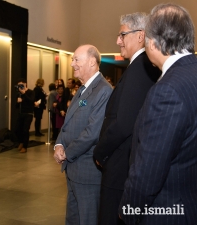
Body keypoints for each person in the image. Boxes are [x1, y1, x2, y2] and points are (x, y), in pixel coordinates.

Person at [118, 3, 197, 225]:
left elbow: (149, 171)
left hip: (166, 211)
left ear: (152, 43)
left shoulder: (167, 90)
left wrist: (128, 211)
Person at [93, 12, 161, 225]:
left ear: (141, 36)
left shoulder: (140, 69)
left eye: (122, 34)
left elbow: (123, 123)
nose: (117, 40)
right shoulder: (139, 67)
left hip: (119, 166)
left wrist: (100, 152)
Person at [53, 44, 113, 225]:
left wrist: (67, 153)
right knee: (73, 218)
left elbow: (92, 133)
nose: (72, 64)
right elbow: (68, 123)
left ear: (92, 62)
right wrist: (58, 144)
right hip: (73, 168)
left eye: (76, 59)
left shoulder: (103, 90)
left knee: (87, 219)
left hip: (87, 171)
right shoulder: (83, 89)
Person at [15, 79, 35, 153]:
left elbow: (31, 100)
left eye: (21, 85)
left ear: (25, 84)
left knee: (25, 130)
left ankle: (25, 146)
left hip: (28, 114)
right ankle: (21, 141)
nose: (20, 87)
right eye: (18, 85)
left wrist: (24, 93)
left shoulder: (31, 92)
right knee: (17, 129)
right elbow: (16, 106)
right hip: (21, 113)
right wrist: (17, 102)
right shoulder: (18, 94)